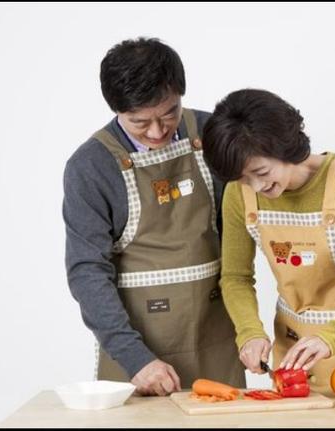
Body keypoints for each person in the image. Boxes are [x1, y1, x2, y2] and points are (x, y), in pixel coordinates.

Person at [62, 37, 245, 396]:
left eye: (169, 114)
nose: (158, 131)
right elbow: (87, 270)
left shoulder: (211, 135)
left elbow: (242, 233)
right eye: (140, 122)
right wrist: (135, 359)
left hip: (216, 336)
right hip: (139, 348)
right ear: (116, 109)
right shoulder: (91, 166)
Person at [201, 89, 335, 395]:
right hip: (293, 355)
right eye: (243, 179)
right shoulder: (239, 194)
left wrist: (330, 338)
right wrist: (249, 333)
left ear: (284, 147)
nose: (256, 186)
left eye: (261, 172)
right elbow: (235, 277)